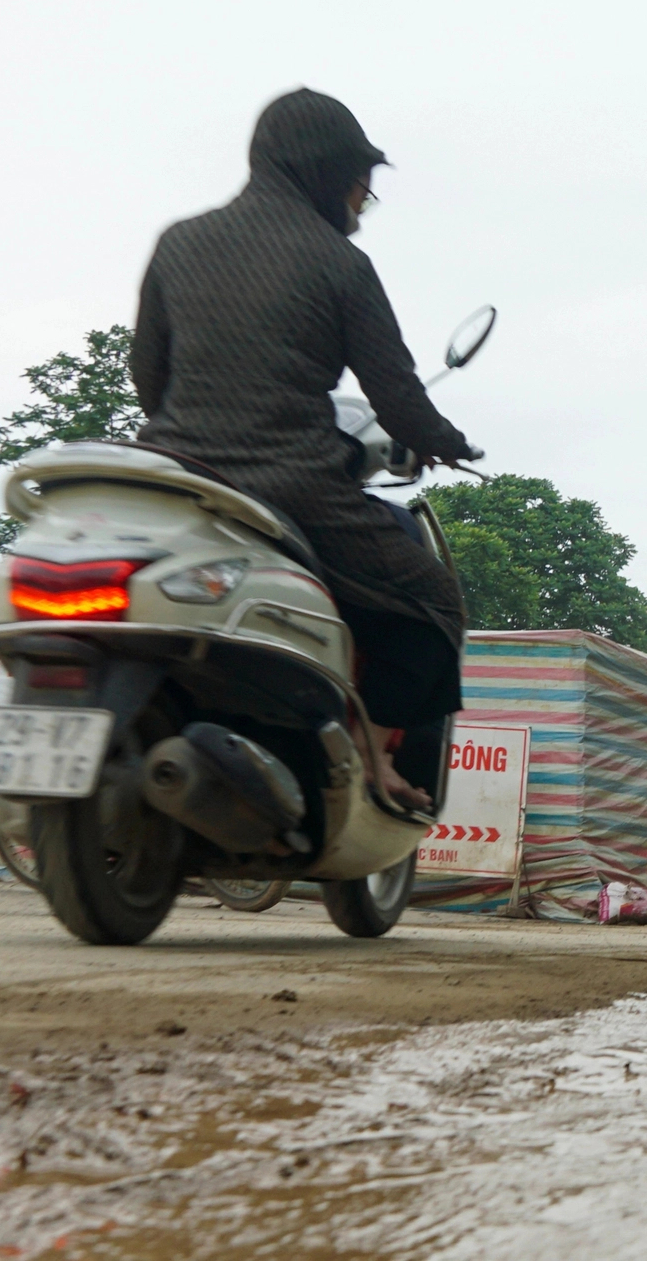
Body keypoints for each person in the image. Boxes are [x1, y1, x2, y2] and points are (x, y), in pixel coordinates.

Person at [129, 88, 480, 810]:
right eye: (363, 189)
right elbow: (396, 397)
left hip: (173, 479)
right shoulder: (339, 263)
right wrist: (447, 443)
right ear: (329, 173)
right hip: (292, 488)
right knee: (433, 598)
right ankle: (372, 760)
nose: (361, 206)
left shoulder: (180, 240)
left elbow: (148, 373)